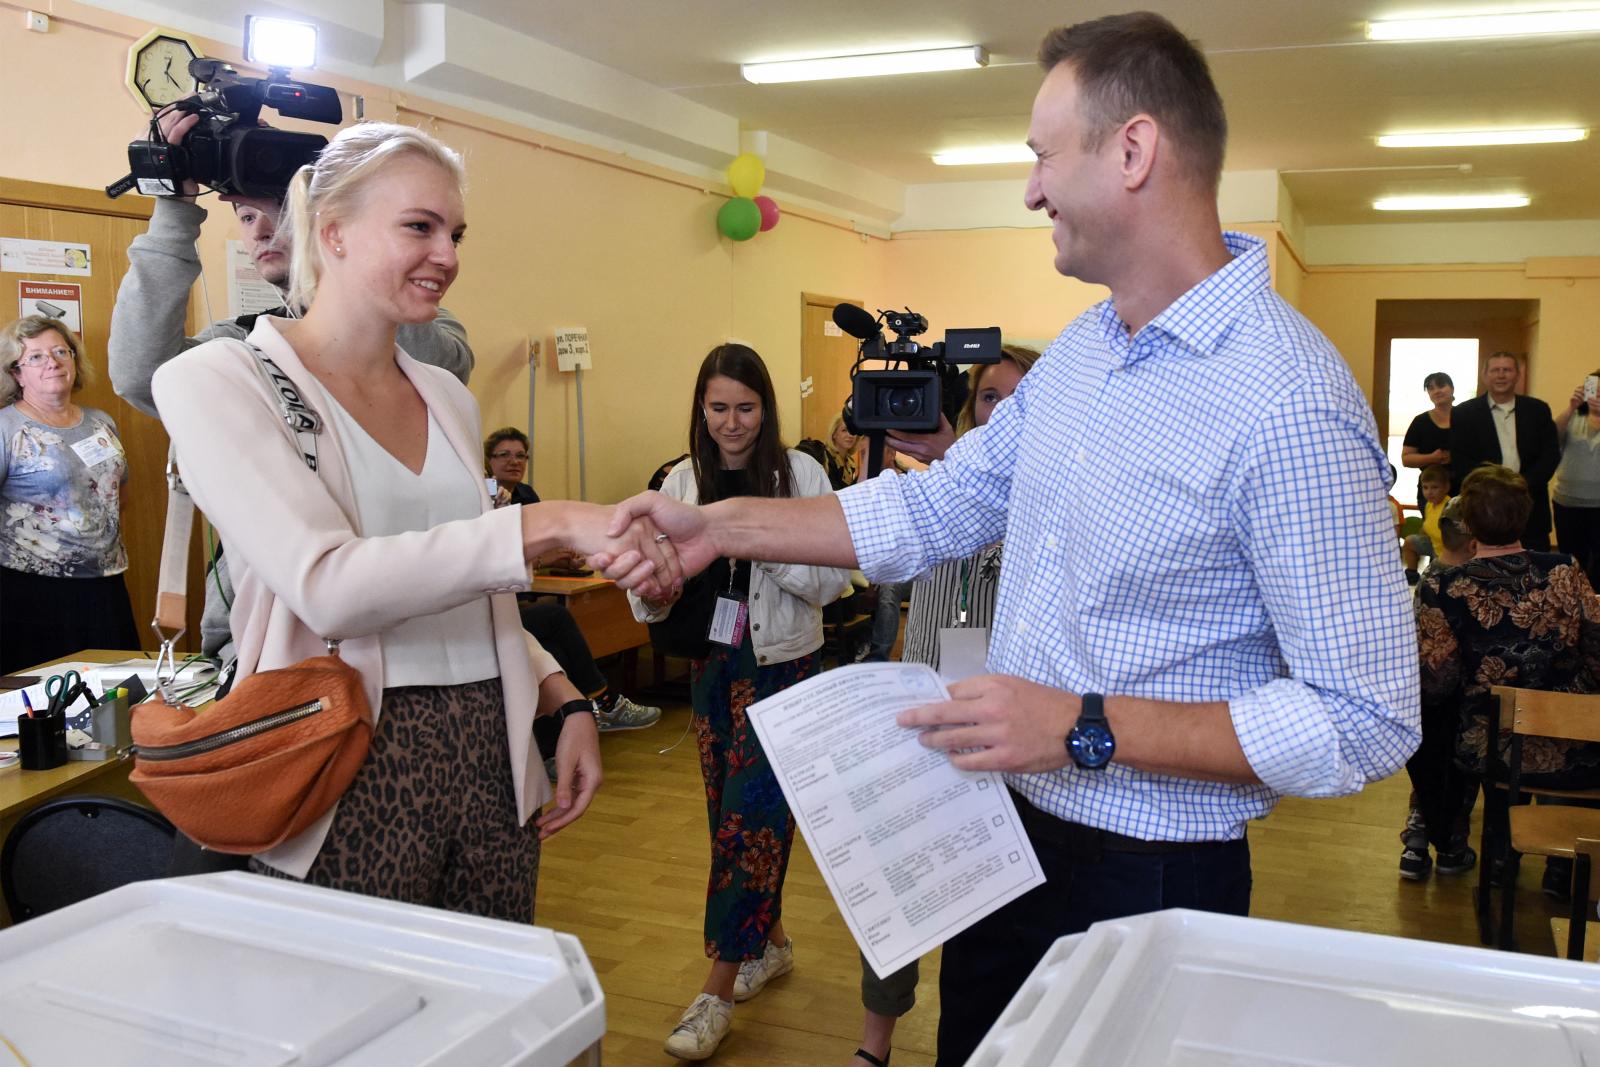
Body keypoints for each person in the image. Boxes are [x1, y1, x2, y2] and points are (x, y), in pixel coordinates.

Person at [597, 14, 1419, 1065]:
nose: (1030, 189)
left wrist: (1081, 724)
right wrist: (711, 524)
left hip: (1151, 869)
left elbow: (1362, 717)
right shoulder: (1084, 351)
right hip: (1005, 835)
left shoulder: (1285, 399)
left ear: (1131, 150)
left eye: (1040, 154)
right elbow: (932, 507)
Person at [149, 121, 676, 919]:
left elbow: (466, 586)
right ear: (334, 234)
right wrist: (550, 523)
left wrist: (562, 697)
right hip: (340, 747)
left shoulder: (447, 395)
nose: (449, 255)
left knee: (483, 1014)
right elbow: (328, 586)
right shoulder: (219, 380)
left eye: (456, 232)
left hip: (489, 749)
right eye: (419, 227)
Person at [108, 102, 475, 666]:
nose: (262, 233)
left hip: (436, 640)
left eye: (281, 211)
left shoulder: (427, 340)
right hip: (275, 653)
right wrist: (174, 212)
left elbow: (438, 361)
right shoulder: (243, 355)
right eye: (246, 217)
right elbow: (140, 376)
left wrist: (329, 267)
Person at [628, 343, 849, 1061]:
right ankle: (773, 944)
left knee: (750, 823)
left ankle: (716, 989)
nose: (732, 423)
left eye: (746, 408)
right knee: (730, 816)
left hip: (784, 669)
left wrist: (752, 536)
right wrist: (654, 586)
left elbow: (834, 583)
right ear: (701, 408)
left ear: (767, 408)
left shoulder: (801, 473)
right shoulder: (681, 479)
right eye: (719, 407)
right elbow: (648, 596)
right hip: (713, 671)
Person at [846, 344, 1038, 1067]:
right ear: (968, 405)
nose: (1000, 412)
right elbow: (875, 549)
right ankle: (875, 1043)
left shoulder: (1045, 503)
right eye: (990, 398)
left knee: (990, 904)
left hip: (1007, 731)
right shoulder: (934, 493)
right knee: (894, 884)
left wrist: (960, 454)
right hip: (922, 712)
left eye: (1019, 402)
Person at [1417, 465, 1600, 895]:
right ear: (1526, 515)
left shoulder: (1444, 584)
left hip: (1492, 740)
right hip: (1571, 734)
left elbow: (1438, 683)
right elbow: (1596, 644)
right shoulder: (1564, 569)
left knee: (1445, 722)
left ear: (1469, 523)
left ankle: (1492, 851)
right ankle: (1561, 864)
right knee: (1559, 718)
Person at [485, 427, 662, 736]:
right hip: (492, 610)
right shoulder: (483, 499)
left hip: (519, 600)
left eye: (520, 455)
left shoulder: (526, 495)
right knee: (555, 620)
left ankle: (576, 725)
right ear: (488, 462)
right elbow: (495, 556)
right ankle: (603, 703)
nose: (514, 462)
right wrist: (544, 559)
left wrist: (562, 556)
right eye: (504, 455)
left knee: (556, 648)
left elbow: (539, 546)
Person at [0, 317, 141, 672]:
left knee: (116, 695)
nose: (52, 361)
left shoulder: (101, 422)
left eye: (61, 351)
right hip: (31, 593)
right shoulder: (7, 428)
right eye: (35, 357)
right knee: (43, 703)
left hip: (105, 585)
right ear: (16, 372)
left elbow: (118, 495)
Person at [1399, 496, 1478, 880]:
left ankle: (1418, 839)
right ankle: (1449, 845)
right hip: (1464, 704)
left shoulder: (1430, 581)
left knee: (1431, 767)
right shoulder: (1476, 583)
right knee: (1456, 771)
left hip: (1433, 699)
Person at [1450, 351, 1559, 550]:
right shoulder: (1463, 414)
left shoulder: (1538, 410)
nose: (1501, 375)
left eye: (1507, 370)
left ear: (1517, 375)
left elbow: (1550, 455)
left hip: (1531, 504)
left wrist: (1521, 485)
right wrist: (1494, 488)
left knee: (1534, 571)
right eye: (1495, 370)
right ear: (1485, 375)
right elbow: (1460, 460)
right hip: (1484, 507)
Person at [1553, 371, 1600, 586]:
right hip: (1568, 501)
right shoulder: (1573, 417)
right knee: (1571, 560)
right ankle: (1573, 606)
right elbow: (1552, 437)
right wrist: (1572, 407)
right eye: (1594, 388)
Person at [1401, 371, 1456, 504]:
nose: (1436, 391)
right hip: (1430, 492)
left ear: (1452, 388)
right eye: (1431, 388)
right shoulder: (1420, 421)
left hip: (1461, 490)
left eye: (1441, 386)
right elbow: (1406, 459)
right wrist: (1432, 458)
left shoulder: (1466, 417)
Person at [1401, 464, 1451, 583]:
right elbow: (1426, 528)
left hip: (1446, 552)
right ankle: (1412, 576)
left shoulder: (1449, 506)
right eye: (1425, 487)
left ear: (1446, 487)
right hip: (1433, 544)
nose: (1429, 492)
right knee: (1409, 541)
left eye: (1434, 487)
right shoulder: (1429, 505)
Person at [797, 414, 859, 492]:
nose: (850, 435)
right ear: (834, 434)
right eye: (844, 430)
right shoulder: (823, 457)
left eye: (853, 431)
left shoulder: (850, 463)